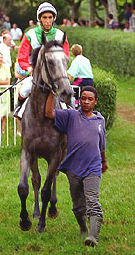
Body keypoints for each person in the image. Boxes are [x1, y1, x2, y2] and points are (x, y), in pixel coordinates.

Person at [45, 85, 108, 247]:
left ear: (96, 102)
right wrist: (52, 94)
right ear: (79, 100)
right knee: (78, 205)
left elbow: (101, 144)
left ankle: (93, 237)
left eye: (90, 99)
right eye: (84, 98)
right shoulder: (71, 116)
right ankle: (83, 228)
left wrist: (104, 161)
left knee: (93, 201)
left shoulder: (100, 120)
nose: (86, 102)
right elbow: (49, 113)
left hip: (93, 168)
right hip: (73, 168)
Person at [14, 2, 69, 118]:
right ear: (39, 19)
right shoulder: (30, 34)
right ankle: (19, 108)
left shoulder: (60, 35)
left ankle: (70, 113)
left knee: (69, 94)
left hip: (56, 75)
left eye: (50, 17)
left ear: (54, 18)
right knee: (24, 90)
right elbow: (22, 57)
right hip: (37, 74)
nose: (48, 21)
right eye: (45, 17)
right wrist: (29, 68)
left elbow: (66, 56)